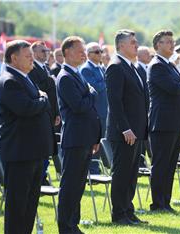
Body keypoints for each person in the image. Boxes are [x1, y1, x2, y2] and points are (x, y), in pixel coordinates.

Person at [0, 40, 53, 234]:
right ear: (14, 58)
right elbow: (26, 108)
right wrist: (43, 99)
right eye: (28, 56)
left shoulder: (25, 78)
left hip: (34, 151)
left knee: (29, 206)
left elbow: (34, 103)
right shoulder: (10, 80)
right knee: (18, 206)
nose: (32, 59)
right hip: (21, 152)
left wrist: (40, 99)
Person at [56, 36, 101, 234]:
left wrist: (95, 138)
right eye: (79, 50)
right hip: (75, 138)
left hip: (85, 137)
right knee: (70, 185)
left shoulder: (76, 74)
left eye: (84, 50)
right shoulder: (65, 76)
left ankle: (73, 224)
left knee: (78, 184)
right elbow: (79, 106)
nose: (84, 53)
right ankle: (66, 226)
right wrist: (90, 94)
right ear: (67, 53)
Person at [106, 29, 149, 225]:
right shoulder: (116, 66)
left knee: (132, 174)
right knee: (122, 173)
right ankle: (119, 214)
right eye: (132, 42)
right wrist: (125, 128)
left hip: (137, 130)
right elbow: (115, 102)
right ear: (121, 46)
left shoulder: (134, 67)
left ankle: (128, 210)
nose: (136, 44)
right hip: (124, 132)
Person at [148, 30, 180, 212]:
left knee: (171, 165)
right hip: (162, 123)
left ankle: (166, 202)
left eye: (173, 41)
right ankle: (157, 204)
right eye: (168, 41)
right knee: (161, 164)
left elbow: (179, 86)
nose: (172, 44)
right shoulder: (157, 65)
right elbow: (174, 88)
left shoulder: (170, 65)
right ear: (158, 45)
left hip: (174, 123)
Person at [28, 41, 60, 185]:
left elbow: (54, 94)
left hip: (50, 113)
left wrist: (57, 113)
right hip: (41, 114)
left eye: (47, 50)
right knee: (41, 147)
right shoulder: (32, 68)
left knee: (47, 147)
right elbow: (38, 89)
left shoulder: (45, 67)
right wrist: (49, 81)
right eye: (42, 51)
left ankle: (42, 177)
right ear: (33, 53)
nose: (46, 53)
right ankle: (40, 178)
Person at [80, 42, 108, 175]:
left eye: (101, 51)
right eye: (96, 52)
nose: (100, 54)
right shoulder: (86, 69)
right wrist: (108, 80)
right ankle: (91, 170)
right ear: (88, 54)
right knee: (94, 142)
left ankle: (96, 168)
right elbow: (95, 88)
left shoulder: (100, 68)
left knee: (101, 140)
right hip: (95, 111)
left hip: (103, 110)